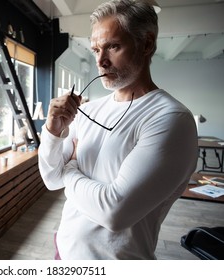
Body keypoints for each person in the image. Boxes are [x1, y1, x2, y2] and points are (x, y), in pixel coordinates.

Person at [38, 0, 198, 259]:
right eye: (95, 49)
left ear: (146, 44)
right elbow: (50, 179)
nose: (101, 61)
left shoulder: (171, 119)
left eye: (113, 46)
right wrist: (53, 132)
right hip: (64, 251)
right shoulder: (87, 111)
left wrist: (70, 168)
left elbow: (114, 212)